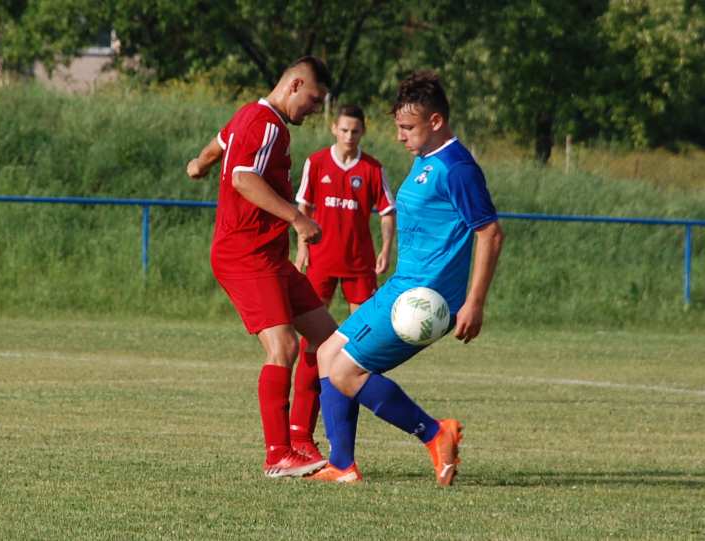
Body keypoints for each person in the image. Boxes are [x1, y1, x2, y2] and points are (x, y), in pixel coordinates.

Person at [308, 70, 504, 485]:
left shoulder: (457, 169)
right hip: (400, 286)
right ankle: (342, 465)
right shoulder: (425, 161)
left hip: (423, 300)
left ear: (436, 122)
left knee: (346, 372)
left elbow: (490, 233)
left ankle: (436, 434)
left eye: (407, 128)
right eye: (398, 126)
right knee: (327, 354)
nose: (400, 136)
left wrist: (474, 302)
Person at [186, 56, 339, 478]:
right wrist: (297, 217)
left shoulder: (248, 117)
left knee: (328, 342)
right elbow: (241, 177)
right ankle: (277, 455)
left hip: (268, 255)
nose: (313, 108)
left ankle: (301, 440)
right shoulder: (267, 123)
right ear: (294, 85)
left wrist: (198, 164)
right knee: (284, 347)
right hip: (245, 253)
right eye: (313, 98)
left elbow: (219, 146)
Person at [290, 105, 395, 450]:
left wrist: (386, 250)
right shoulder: (317, 162)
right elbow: (302, 208)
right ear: (334, 128)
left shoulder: (372, 169)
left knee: (359, 349)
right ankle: (301, 433)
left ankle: (343, 443)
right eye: (344, 130)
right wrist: (302, 249)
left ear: (362, 132)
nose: (349, 137)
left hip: (359, 266)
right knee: (312, 346)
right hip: (320, 262)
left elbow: (387, 213)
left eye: (356, 131)